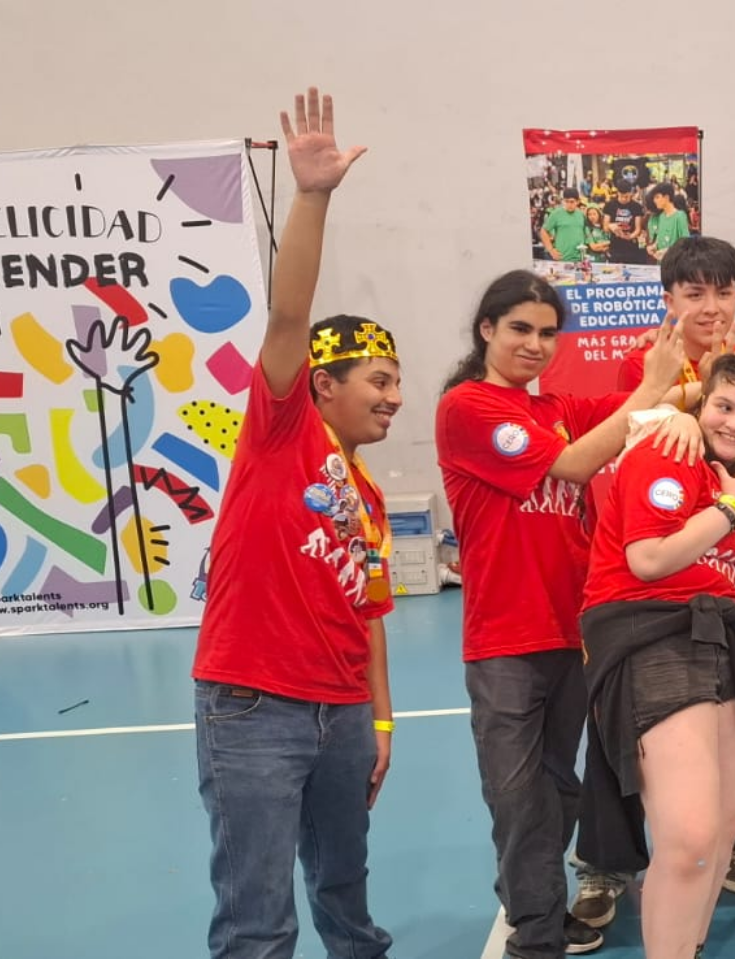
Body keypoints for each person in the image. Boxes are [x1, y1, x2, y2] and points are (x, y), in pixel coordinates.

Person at [191, 87, 398, 959]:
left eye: (397, 381)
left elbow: (370, 610)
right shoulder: (280, 431)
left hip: (342, 711)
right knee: (258, 912)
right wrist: (312, 197)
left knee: (345, 891)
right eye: (378, 380)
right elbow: (288, 315)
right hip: (255, 706)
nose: (394, 396)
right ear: (322, 384)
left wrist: (379, 720)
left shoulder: (367, 497)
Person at [436, 270, 694, 956]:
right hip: (505, 640)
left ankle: (541, 905)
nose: (535, 343)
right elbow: (578, 464)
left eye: (548, 332)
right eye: (520, 328)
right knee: (518, 796)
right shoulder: (467, 407)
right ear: (486, 329)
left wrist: (710, 371)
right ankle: (535, 934)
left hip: (570, 629)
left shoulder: (554, 407)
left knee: (559, 786)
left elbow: (660, 405)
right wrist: (650, 389)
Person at [578, 354, 735, 959]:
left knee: (725, 821)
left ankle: (686, 947)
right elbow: (648, 560)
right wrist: (730, 509)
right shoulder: (669, 450)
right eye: (724, 406)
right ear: (701, 402)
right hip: (650, 631)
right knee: (691, 836)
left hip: (718, 634)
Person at [614, 237, 735, 393]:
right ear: (670, 302)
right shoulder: (644, 364)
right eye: (695, 295)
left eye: (724, 294)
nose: (711, 309)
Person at [603, 184, 649, 265]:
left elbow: (638, 228)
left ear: (630, 193)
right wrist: (611, 226)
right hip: (615, 245)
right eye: (621, 196)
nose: (624, 199)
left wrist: (630, 236)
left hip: (632, 246)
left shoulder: (636, 206)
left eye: (627, 196)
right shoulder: (610, 205)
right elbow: (605, 227)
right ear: (618, 193)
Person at [645, 185, 692, 261]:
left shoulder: (680, 216)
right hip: (661, 262)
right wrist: (654, 246)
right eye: (654, 198)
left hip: (675, 263)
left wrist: (668, 251)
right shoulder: (661, 216)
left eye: (657, 197)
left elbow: (686, 242)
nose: (654, 200)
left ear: (666, 197)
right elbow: (660, 238)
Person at [540, 187, 587, 261]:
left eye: (572, 202)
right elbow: (543, 231)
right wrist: (551, 250)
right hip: (562, 259)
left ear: (577, 201)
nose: (569, 204)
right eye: (566, 201)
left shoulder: (581, 214)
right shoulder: (556, 214)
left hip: (580, 259)